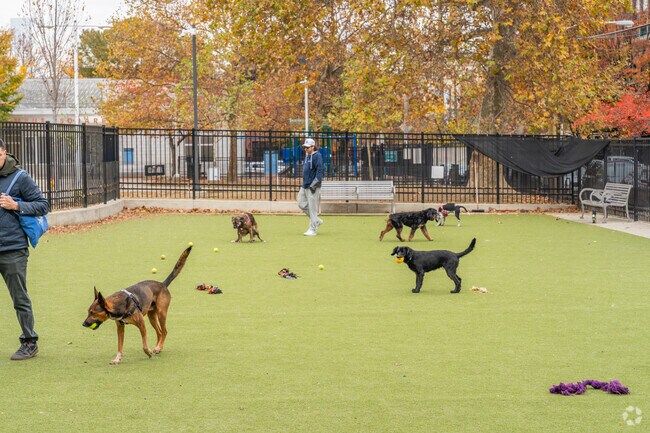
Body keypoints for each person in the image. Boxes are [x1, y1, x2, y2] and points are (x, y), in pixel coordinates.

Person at [0, 138, 49, 360]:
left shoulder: (21, 177)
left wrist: (16, 205)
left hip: (12, 248)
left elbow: (43, 204)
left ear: (4, 153)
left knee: (19, 298)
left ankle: (29, 342)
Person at [297, 138, 324, 236]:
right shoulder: (307, 156)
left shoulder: (317, 156)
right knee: (300, 203)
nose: (306, 149)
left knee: (312, 208)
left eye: (307, 148)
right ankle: (316, 220)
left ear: (313, 147)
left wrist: (315, 184)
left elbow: (320, 170)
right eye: (305, 147)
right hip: (305, 185)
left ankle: (313, 229)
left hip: (312, 186)